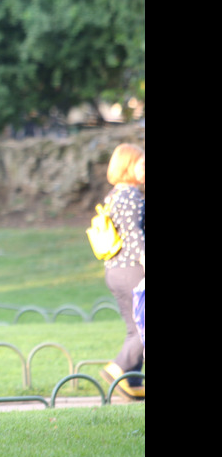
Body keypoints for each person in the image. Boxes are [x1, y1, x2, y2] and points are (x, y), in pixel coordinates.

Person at [98, 143, 145, 401]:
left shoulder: (115, 195)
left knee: (135, 328)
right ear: (128, 166)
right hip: (133, 269)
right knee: (143, 326)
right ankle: (118, 367)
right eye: (142, 164)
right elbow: (134, 234)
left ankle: (132, 382)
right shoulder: (131, 196)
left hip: (115, 270)